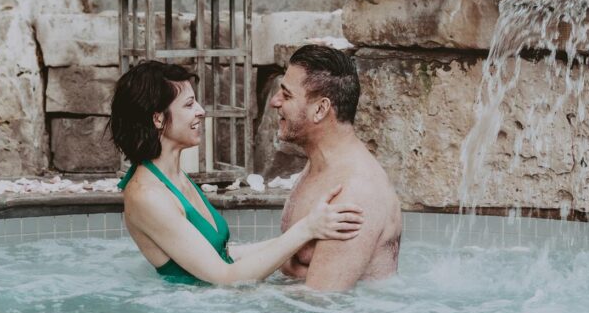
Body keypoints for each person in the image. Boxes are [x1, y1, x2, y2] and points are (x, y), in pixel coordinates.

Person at [110, 60, 365, 286]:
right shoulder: (147, 195)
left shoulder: (175, 177)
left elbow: (226, 255)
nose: (201, 110)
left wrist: (303, 236)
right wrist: (307, 229)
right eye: (189, 104)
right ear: (157, 119)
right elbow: (225, 277)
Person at [270, 45, 402, 291]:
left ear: (320, 109)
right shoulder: (319, 165)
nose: (274, 101)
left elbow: (321, 305)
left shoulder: (355, 193)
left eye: (287, 96)